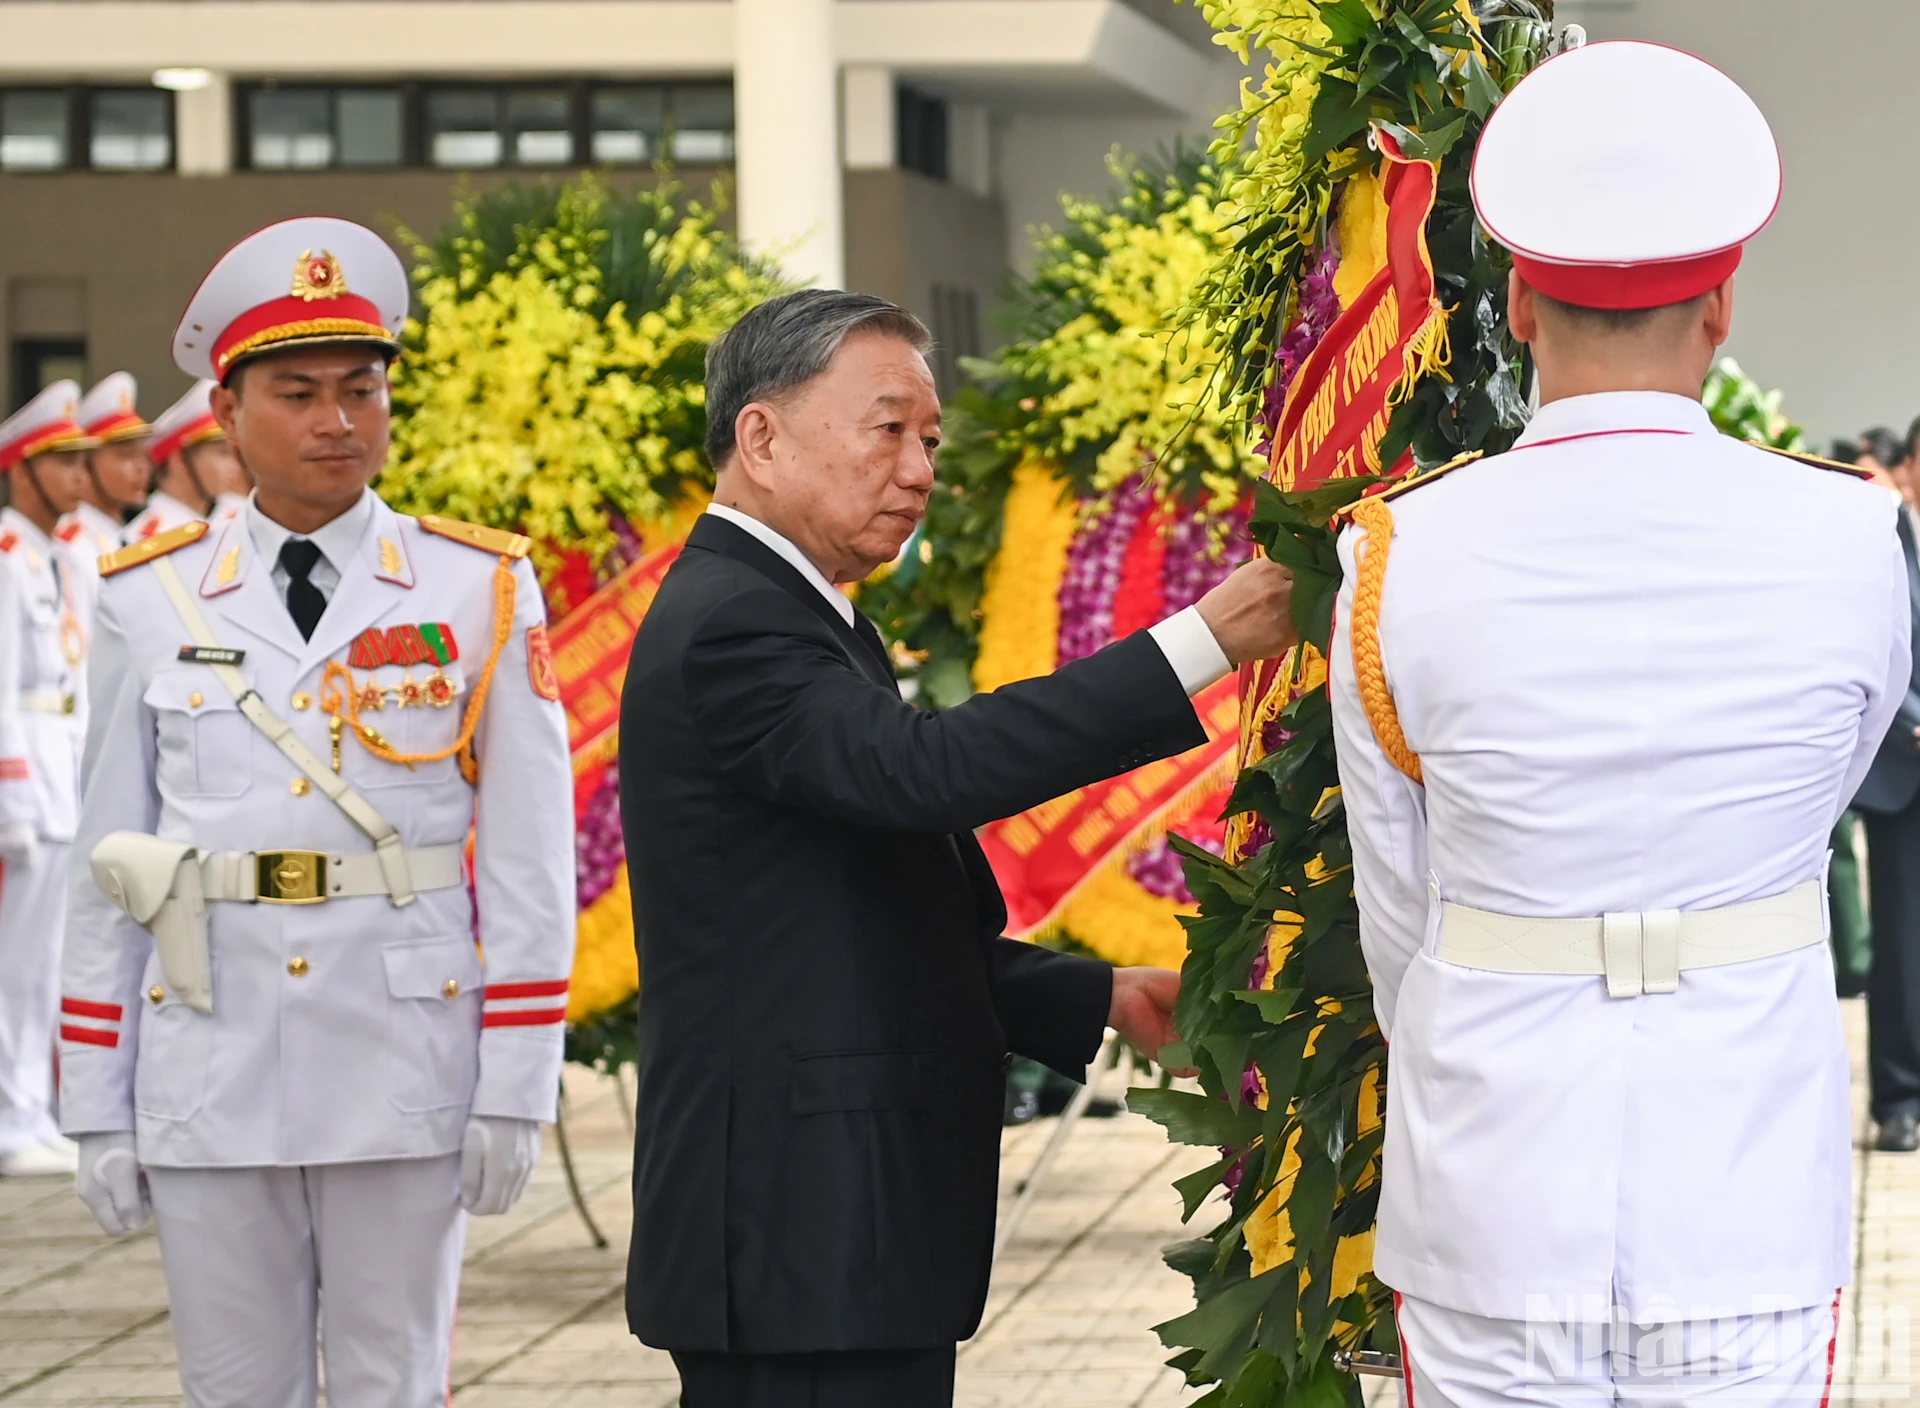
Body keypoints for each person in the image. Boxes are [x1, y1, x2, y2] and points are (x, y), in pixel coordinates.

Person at [1331, 42, 1907, 1408]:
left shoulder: (1398, 553)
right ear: (1722, 307)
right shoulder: (1852, 533)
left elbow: (1397, 905)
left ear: (1520, 303)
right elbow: (1832, 782)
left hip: (1489, 1179)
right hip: (1746, 1183)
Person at [619, 288, 1296, 1408]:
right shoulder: (737, 622)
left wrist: (1096, 996)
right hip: (796, 1228)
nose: (922, 470)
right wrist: (1200, 642)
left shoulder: (799, 610)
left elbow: (845, 908)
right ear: (761, 435)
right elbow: (922, 773)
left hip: (832, 1230)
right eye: (888, 429)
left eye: (929, 440)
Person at [57, 217, 576, 1407]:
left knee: (396, 1386)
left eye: (362, 388)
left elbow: (533, 859)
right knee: (232, 1391)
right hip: (209, 1049)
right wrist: (95, 1094)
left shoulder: (476, 585)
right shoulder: (149, 598)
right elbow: (110, 860)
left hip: (402, 1056)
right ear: (228, 415)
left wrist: (517, 1077)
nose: (339, 420)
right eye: (298, 393)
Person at [0, 381, 93, 1178]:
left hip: (61, 772)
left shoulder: (52, 556)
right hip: (24, 777)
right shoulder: (5, 556)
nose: (78, 475)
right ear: (22, 470)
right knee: (18, 965)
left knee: (51, 960)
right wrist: (11, 795)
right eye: (61, 461)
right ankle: (11, 1116)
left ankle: (36, 1109)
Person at [1852, 414, 1920, 1150]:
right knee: (1902, 944)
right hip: (1908, 768)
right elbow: (1872, 641)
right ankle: (1900, 1101)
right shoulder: (1885, 539)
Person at [125, 379, 249, 540]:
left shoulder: (233, 514)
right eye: (222, 453)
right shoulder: (150, 538)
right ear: (179, 460)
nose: (235, 466)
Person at [67, 372, 150, 556]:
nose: (141, 468)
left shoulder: (119, 533)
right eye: (127, 456)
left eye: (142, 455)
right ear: (85, 465)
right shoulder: (76, 547)